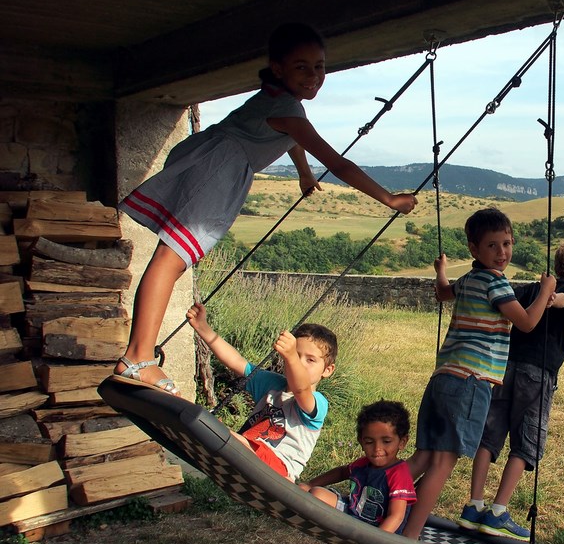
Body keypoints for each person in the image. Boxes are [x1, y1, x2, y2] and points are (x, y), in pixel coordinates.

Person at [113, 22, 417, 396]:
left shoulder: (277, 99)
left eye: (319, 66)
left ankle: (137, 355)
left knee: (170, 257)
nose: (314, 76)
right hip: (219, 171)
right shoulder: (289, 110)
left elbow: (290, 140)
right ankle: (137, 357)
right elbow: (338, 164)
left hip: (211, 160)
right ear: (278, 68)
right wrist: (389, 199)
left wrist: (304, 174)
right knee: (170, 258)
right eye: (302, 67)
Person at [402, 207, 557, 540]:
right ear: (474, 249)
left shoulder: (469, 279)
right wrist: (546, 291)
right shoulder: (495, 282)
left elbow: (443, 292)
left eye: (507, 243)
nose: (502, 252)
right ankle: (408, 536)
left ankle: (375, 500)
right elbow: (527, 323)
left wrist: (441, 270)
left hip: (443, 378)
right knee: (443, 463)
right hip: (471, 382)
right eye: (492, 245)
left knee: (423, 457)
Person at [457, 237, 564, 541]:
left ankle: (474, 505)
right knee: (527, 441)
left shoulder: (536, 289)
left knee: (490, 435)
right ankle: (498, 512)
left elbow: (506, 294)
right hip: (536, 375)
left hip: (505, 368)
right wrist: (554, 298)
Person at [185, 301, 335, 482]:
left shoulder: (317, 402)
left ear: (327, 370)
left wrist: (292, 357)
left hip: (278, 467)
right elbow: (236, 362)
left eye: (310, 360)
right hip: (246, 452)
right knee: (215, 430)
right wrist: (204, 328)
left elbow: (301, 388)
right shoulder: (273, 385)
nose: (300, 362)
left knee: (213, 429)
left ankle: (212, 433)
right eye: (297, 355)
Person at [301, 400, 417, 534]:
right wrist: (310, 484)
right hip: (353, 514)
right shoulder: (363, 463)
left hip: (381, 530)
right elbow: (341, 472)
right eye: (369, 442)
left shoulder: (399, 473)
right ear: (361, 442)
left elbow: (396, 516)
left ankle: (353, 532)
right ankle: (343, 529)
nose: (377, 449)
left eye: (386, 441)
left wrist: (375, 539)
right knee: (316, 493)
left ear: (402, 442)